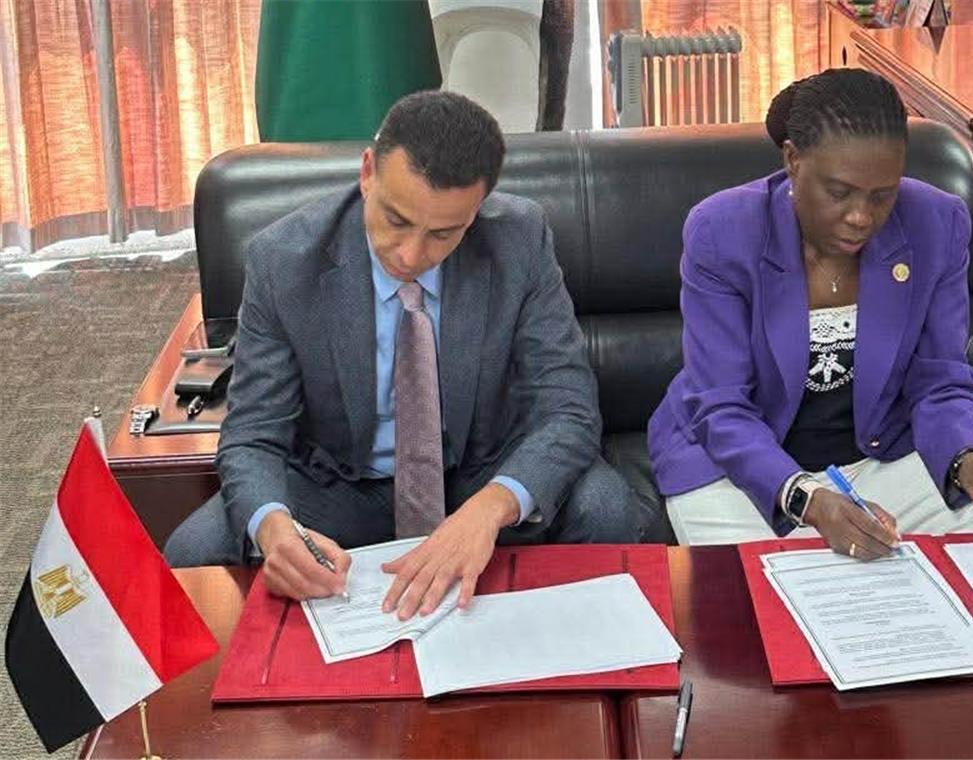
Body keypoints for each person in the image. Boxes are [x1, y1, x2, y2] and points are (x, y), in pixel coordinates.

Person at [165, 90, 649, 617]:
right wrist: (273, 528)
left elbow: (569, 407)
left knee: (606, 508)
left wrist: (493, 505)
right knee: (194, 549)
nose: (412, 254)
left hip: (478, 471)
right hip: (339, 483)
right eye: (396, 220)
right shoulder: (283, 261)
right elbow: (253, 433)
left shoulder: (520, 239)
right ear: (367, 173)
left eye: (443, 233)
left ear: (478, 208)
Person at [647, 69, 973, 556]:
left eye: (883, 195)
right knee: (756, 586)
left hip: (883, 459)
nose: (861, 217)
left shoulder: (936, 222)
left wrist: (969, 463)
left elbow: (940, 382)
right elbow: (721, 405)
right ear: (793, 160)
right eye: (839, 193)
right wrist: (811, 502)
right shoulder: (723, 231)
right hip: (738, 469)